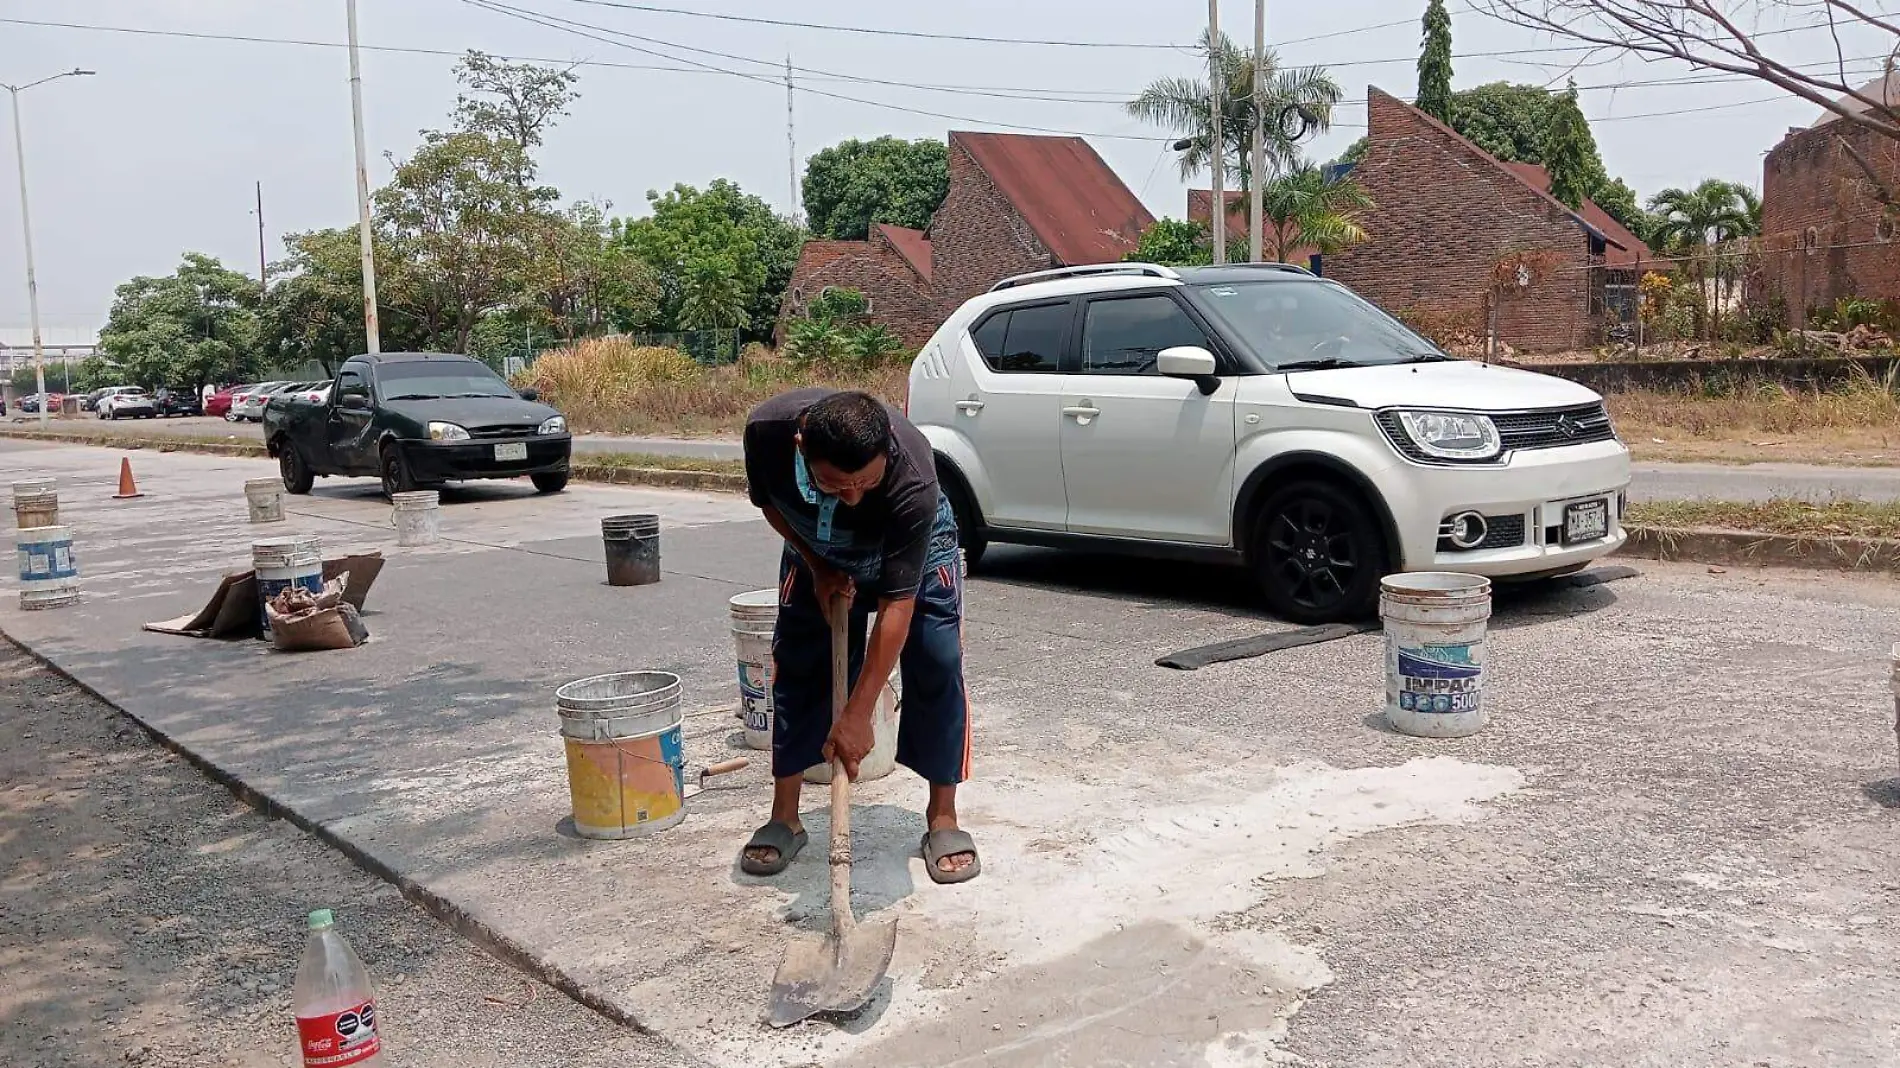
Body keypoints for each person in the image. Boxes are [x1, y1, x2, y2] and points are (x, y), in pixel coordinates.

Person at [738, 388, 979, 885]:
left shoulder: (913, 478)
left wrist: (857, 714)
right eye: (834, 484)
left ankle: (943, 817)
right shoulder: (767, 433)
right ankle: (784, 815)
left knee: (936, 662)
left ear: (886, 453)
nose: (852, 497)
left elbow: (897, 605)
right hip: (813, 545)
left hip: (915, 549)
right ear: (802, 445)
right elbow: (769, 503)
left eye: (864, 483)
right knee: (799, 666)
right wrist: (817, 565)